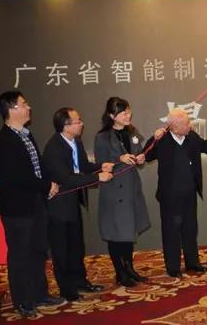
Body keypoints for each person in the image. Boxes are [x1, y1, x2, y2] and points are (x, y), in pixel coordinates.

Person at [0, 91, 64, 318]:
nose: (28, 107)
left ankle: (39, 293)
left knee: (38, 250)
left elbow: (38, 166)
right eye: (24, 104)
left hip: (36, 203)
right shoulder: (3, 141)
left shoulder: (26, 135)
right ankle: (22, 301)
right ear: (11, 109)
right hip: (17, 208)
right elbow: (15, 177)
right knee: (20, 254)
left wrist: (49, 184)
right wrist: (45, 185)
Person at [145, 108, 207, 278]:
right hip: (170, 196)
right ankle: (173, 268)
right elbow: (146, 156)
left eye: (188, 122)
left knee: (190, 229)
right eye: (185, 123)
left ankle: (193, 263)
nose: (189, 125)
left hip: (189, 192)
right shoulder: (162, 140)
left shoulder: (192, 137)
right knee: (171, 231)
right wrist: (154, 138)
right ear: (173, 126)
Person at [43, 107, 113, 301]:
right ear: (65, 126)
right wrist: (97, 177)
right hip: (58, 205)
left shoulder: (76, 141)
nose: (82, 124)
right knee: (61, 249)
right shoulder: (54, 148)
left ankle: (80, 281)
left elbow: (83, 167)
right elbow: (66, 178)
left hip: (72, 202)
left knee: (76, 246)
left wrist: (100, 166)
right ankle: (67, 289)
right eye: (77, 121)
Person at [94, 97, 151, 287]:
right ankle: (120, 272)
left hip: (130, 189)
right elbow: (100, 163)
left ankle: (129, 268)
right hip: (114, 190)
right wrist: (119, 158)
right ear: (112, 116)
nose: (128, 115)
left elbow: (139, 152)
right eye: (123, 112)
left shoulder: (132, 132)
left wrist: (141, 157)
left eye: (129, 111)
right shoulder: (102, 137)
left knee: (128, 232)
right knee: (115, 233)